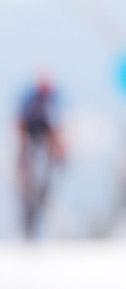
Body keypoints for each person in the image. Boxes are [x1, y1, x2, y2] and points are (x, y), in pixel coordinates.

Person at [16, 74, 65, 239]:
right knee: (28, 188)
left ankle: (43, 224)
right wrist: (22, 151)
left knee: (44, 186)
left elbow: (55, 127)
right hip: (30, 143)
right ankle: (28, 229)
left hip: (44, 146)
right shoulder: (30, 100)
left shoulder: (51, 101)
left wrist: (59, 149)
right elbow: (21, 124)